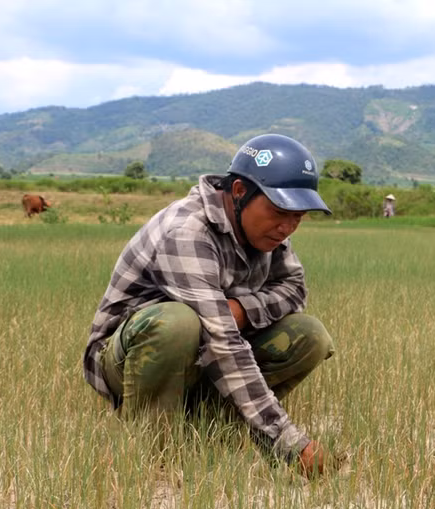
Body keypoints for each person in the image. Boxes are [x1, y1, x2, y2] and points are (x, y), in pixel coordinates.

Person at [83, 133, 338, 478]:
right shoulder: (188, 231)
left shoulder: (270, 231)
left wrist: (242, 310)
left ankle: (211, 428)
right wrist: (288, 442)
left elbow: (294, 289)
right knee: (177, 322)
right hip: (127, 360)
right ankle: (152, 454)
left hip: (201, 356)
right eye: (279, 212)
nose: (288, 226)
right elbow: (224, 343)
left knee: (309, 335)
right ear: (238, 193)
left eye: (299, 216)